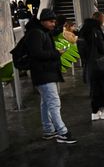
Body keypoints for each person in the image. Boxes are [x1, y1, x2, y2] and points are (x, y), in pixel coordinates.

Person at [25, 8, 77, 143]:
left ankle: (48, 130)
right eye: (51, 21)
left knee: (46, 103)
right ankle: (62, 132)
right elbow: (37, 54)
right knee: (54, 102)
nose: (53, 24)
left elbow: (48, 38)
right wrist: (56, 54)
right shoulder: (36, 33)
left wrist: (59, 29)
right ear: (43, 21)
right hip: (43, 73)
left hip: (43, 72)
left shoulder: (40, 31)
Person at [80, 17, 104, 120]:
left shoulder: (83, 33)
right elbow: (102, 48)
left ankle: (95, 111)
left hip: (90, 64)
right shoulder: (96, 32)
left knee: (95, 89)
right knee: (102, 87)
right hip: (100, 63)